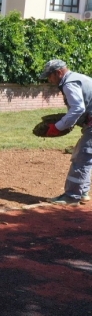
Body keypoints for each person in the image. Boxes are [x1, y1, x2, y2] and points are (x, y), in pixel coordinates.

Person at [40, 59, 92, 206]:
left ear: (58, 72)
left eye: (50, 76)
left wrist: (58, 126)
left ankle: (72, 196)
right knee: (84, 156)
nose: (50, 80)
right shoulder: (77, 78)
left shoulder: (69, 84)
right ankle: (82, 193)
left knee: (82, 157)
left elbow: (78, 108)